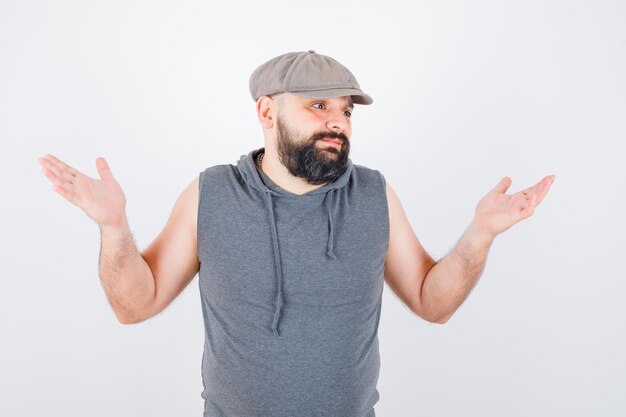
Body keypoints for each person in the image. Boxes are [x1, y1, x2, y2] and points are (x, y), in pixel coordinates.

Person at [37, 50, 555, 417]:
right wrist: (114, 226)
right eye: (318, 106)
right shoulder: (211, 194)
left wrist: (481, 234)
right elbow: (135, 305)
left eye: (346, 110)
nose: (339, 122)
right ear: (267, 111)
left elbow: (431, 303)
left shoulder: (373, 195)